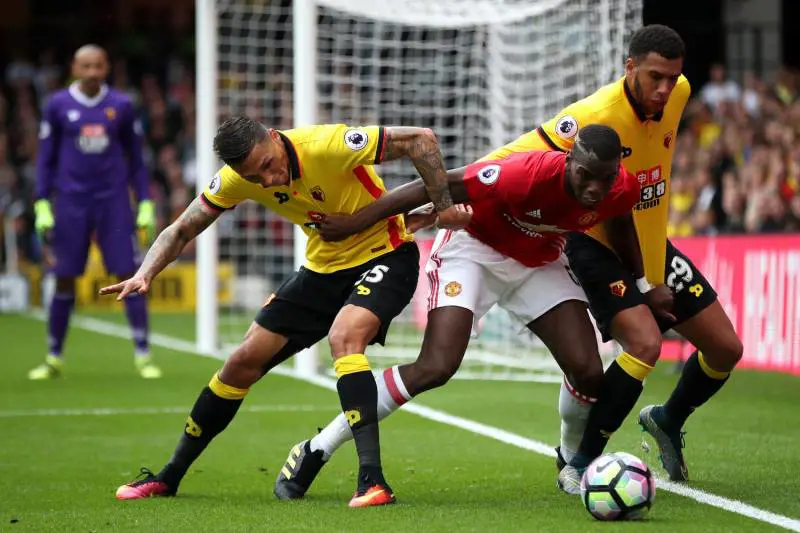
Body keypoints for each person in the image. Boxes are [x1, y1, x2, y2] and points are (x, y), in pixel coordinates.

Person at [273, 124, 650, 500]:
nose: (595, 188)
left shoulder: (619, 188)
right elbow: (432, 185)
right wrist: (356, 222)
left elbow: (620, 221)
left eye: (606, 177)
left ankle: (571, 461)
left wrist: (644, 285)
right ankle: (317, 447)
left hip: (537, 263)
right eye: (586, 175)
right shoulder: (523, 174)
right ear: (570, 160)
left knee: (587, 371)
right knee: (436, 366)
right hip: (473, 250)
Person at [104, 116, 465, 507]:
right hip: (321, 270)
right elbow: (181, 229)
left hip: (387, 254)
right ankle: (168, 477)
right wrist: (145, 272)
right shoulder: (235, 179)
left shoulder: (328, 144)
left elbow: (421, 139)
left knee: (345, 337)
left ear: (274, 138)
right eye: (254, 178)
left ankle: (371, 480)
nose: (269, 180)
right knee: (241, 362)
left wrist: (443, 206)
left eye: (267, 165)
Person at [482, 24, 743, 492]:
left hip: (650, 244)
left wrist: (651, 273)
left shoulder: (679, 92)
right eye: (654, 77)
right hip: (595, 242)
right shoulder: (592, 115)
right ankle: (581, 463)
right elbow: (511, 160)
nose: (665, 88)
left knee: (725, 349)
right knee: (644, 344)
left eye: (672, 78)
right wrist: (455, 201)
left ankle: (666, 419)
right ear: (630, 68)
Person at [29, 45, 160, 380]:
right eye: (85, 66)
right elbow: (45, 157)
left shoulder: (122, 105)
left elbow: (136, 158)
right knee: (64, 277)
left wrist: (144, 200)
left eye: (98, 66)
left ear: (107, 68)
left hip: (113, 202)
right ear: (74, 67)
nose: (91, 72)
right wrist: (42, 202)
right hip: (71, 202)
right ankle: (54, 356)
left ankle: (143, 354)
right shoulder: (57, 105)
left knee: (129, 274)